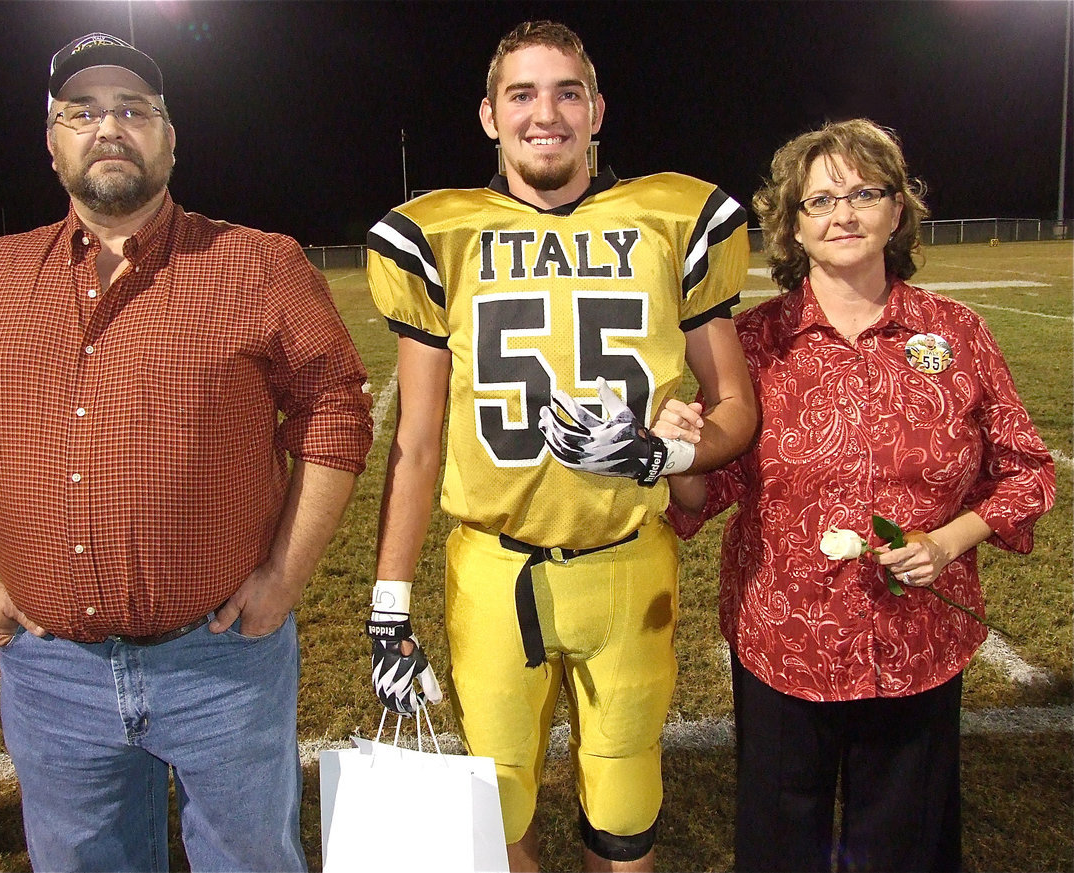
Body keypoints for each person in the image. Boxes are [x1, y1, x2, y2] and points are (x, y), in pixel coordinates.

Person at [0, 32, 372, 873]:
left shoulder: (257, 263)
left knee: (250, 861)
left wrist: (284, 577)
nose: (108, 126)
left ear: (170, 138)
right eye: (82, 111)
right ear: (52, 143)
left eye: (133, 110)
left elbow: (335, 411)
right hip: (51, 676)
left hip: (224, 658)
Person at [362, 20, 756, 873]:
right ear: (489, 116)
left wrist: (666, 455)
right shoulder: (439, 234)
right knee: (500, 801)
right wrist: (390, 601)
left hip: (627, 563)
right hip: (494, 570)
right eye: (523, 93)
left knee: (625, 806)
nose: (548, 113)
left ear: (598, 109)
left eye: (568, 91)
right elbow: (418, 440)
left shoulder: (671, 218)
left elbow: (734, 410)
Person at [660, 118, 1056, 873]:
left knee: (905, 847)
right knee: (781, 848)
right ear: (793, 227)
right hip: (783, 639)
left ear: (896, 211)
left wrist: (948, 541)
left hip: (916, 646)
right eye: (820, 201)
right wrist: (682, 449)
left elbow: (1027, 471)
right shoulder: (753, 343)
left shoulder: (957, 333)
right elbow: (706, 495)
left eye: (863, 193)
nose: (843, 213)